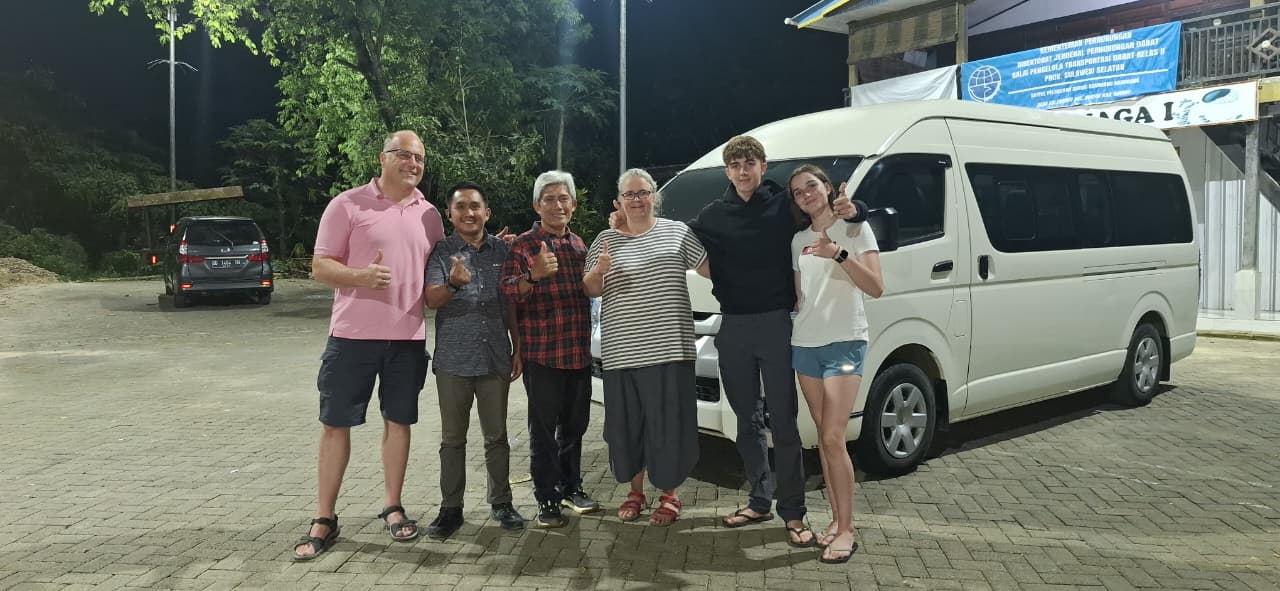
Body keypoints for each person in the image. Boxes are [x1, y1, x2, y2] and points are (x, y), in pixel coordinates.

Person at [680, 135, 864, 547]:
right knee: (745, 420)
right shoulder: (713, 215)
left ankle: (793, 512)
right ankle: (759, 500)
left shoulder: (784, 204)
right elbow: (677, 237)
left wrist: (858, 209)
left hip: (778, 324)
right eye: (735, 165)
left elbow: (828, 212)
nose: (742, 171)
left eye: (749, 163)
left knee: (783, 420)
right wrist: (626, 226)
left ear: (762, 167)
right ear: (727, 172)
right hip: (734, 326)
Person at [293, 130, 445, 561]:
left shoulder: (429, 214)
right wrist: (359, 276)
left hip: (408, 339)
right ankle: (325, 517)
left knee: (399, 422)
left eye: (419, 158)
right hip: (351, 338)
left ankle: (392, 506)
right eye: (404, 155)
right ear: (383, 158)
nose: (413, 164)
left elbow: (442, 266)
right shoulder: (347, 204)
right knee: (335, 424)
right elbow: (320, 266)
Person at [584, 168, 709, 526]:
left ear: (655, 196)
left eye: (643, 192)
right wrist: (599, 271)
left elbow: (711, 268)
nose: (637, 200)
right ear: (618, 201)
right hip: (622, 351)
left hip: (670, 348)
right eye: (629, 194)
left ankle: (670, 495)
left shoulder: (677, 232)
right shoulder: (605, 240)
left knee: (668, 425)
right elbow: (590, 289)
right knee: (628, 426)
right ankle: (635, 492)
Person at [788, 164, 883, 564]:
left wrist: (839, 254)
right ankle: (835, 520)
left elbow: (876, 287)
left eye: (811, 185)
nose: (805, 194)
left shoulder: (855, 228)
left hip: (845, 344)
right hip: (805, 345)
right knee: (825, 440)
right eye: (797, 192)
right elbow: (802, 297)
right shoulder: (798, 240)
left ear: (827, 188)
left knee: (832, 436)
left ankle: (847, 530)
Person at [423, 182, 526, 539]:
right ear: (449, 214)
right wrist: (452, 284)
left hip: (495, 356)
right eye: (461, 207)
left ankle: (502, 502)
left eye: (475, 206)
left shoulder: (503, 251)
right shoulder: (442, 252)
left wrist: (518, 347)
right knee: (453, 439)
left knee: (497, 436)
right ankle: (451, 508)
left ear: (487, 212)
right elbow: (431, 299)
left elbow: (511, 302)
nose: (469, 213)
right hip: (454, 359)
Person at [501, 170, 601, 528]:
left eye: (563, 199)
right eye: (549, 199)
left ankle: (571, 486)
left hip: (577, 353)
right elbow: (507, 292)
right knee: (543, 431)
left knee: (575, 427)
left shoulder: (580, 246)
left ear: (573, 205)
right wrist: (532, 276)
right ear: (536, 205)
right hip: (542, 354)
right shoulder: (523, 245)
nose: (557, 205)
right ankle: (546, 497)